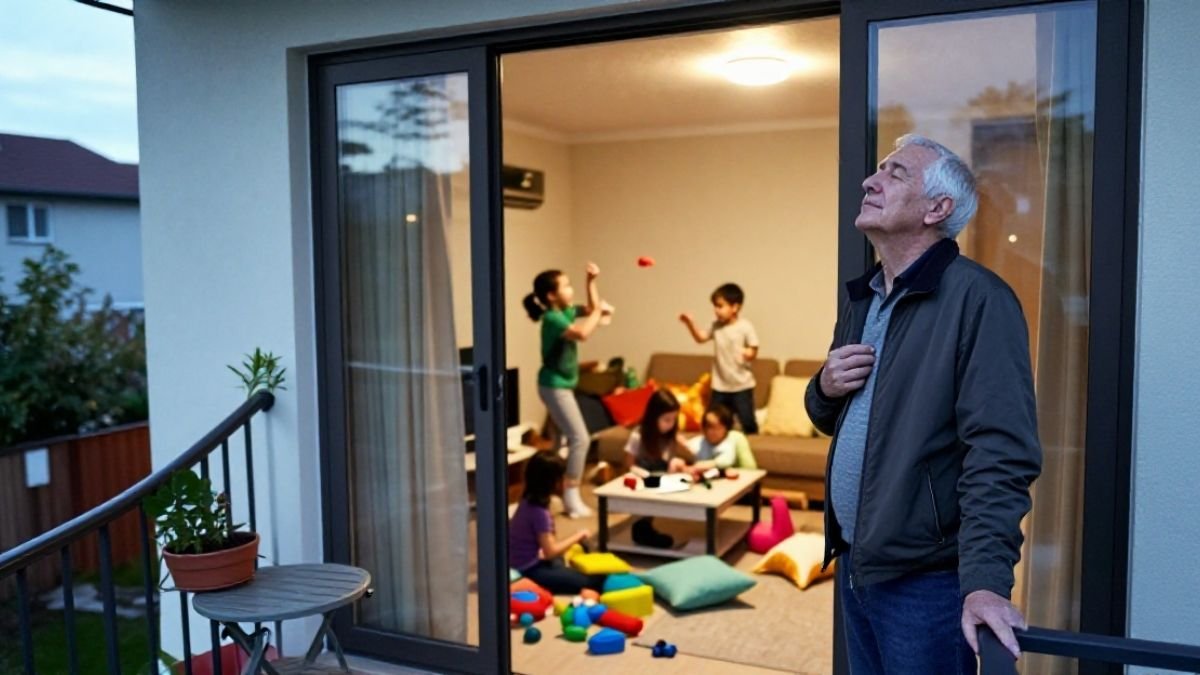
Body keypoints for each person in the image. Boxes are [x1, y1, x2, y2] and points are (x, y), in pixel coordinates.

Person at [806, 134, 1042, 674]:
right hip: (857, 564)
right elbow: (830, 418)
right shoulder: (864, 297)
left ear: (938, 209)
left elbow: (1000, 453)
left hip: (926, 583)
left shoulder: (981, 300)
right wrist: (823, 387)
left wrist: (985, 583)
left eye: (896, 173)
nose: (871, 180)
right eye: (879, 170)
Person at [524, 264, 611, 518]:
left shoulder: (564, 312)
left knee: (560, 445)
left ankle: (546, 496)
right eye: (567, 286)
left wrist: (591, 282)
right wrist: (599, 313)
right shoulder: (552, 318)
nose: (571, 290)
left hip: (561, 386)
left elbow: (592, 311)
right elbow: (583, 333)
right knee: (580, 438)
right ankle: (571, 495)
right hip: (553, 387)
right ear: (551, 295)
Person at [508, 452, 604, 595]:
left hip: (529, 560)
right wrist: (578, 535)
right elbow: (550, 552)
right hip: (530, 569)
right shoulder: (539, 512)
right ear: (552, 482)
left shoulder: (527, 501)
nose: (565, 481)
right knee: (593, 581)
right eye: (562, 477)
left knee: (566, 558)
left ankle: (560, 574)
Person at [679, 283, 760, 434]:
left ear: (735, 307)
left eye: (720, 306)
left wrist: (749, 353)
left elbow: (754, 348)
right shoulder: (715, 325)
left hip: (741, 386)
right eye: (715, 306)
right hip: (720, 386)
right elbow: (701, 338)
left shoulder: (745, 327)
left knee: (747, 422)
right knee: (714, 420)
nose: (716, 310)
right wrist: (690, 324)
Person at [622, 389, 695, 548]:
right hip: (644, 477)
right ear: (653, 417)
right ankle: (642, 529)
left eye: (674, 419)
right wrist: (644, 475)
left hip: (662, 475)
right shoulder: (638, 435)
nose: (671, 424)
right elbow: (629, 464)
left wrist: (678, 463)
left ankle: (649, 528)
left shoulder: (670, 435)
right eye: (666, 419)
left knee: (686, 483)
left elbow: (671, 459)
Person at [685, 403, 756, 471]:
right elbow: (683, 451)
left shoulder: (736, 438)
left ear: (726, 428)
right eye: (708, 426)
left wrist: (710, 464)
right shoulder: (699, 442)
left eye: (717, 427)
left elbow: (751, 469)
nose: (711, 432)